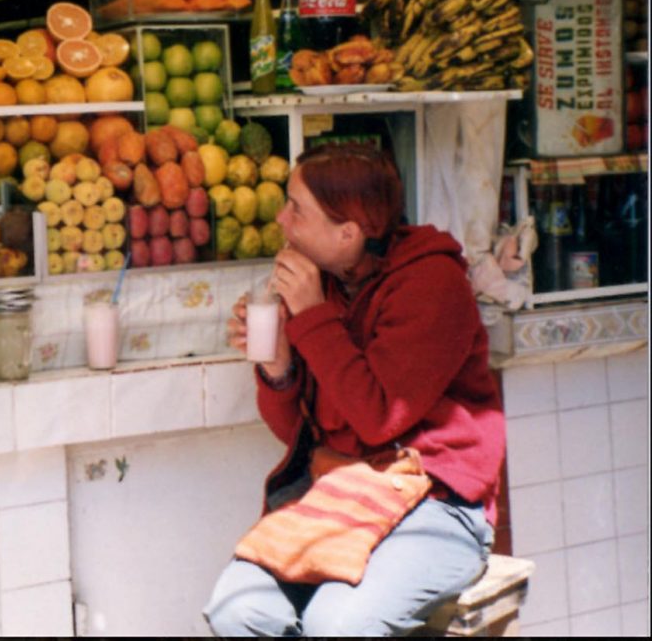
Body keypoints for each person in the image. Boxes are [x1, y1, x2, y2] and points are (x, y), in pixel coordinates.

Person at [204, 143, 506, 637]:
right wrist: (280, 367)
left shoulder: (432, 283)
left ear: (347, 233)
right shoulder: (328, 281)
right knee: (237, 611)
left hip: (438, 504)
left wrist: (312, 318)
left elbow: (380, 416)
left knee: (336, 624)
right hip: (342, 491)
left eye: (296, 209)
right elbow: (297, 432)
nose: (281, 219)